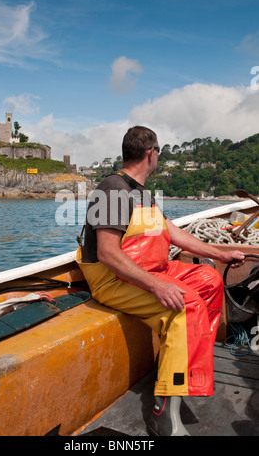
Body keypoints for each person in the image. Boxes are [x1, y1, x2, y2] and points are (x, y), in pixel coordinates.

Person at [76, 126, 245, 436]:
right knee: (186, 304)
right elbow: (108, 254)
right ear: (151, 153)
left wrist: (219, 254)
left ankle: (184, 370)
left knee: (208, 280)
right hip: (114, 279)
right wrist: (157, 285)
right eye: (159, 153)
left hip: (148, 270)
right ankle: (163, 409)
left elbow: (173, 233)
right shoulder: (112, 189)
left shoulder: (142, 192)